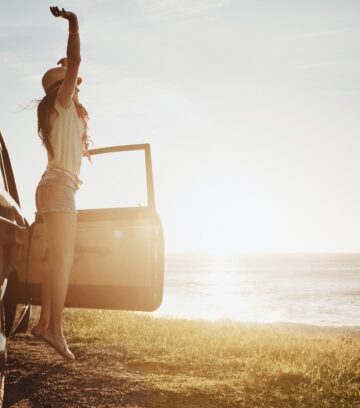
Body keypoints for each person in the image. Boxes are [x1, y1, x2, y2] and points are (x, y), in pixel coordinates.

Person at [31, 6, 90, 360]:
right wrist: (73, 24)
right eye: (70, 81)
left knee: (56, 260)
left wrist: (69, 69)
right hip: (58, 188)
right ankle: (55, 329)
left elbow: (75, 68)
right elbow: (77, 60)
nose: (76, 86)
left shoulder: (62, 111)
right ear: (61, 87)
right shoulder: (63, 103)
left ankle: (44, 323)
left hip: (53, 186)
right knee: (63, 260)